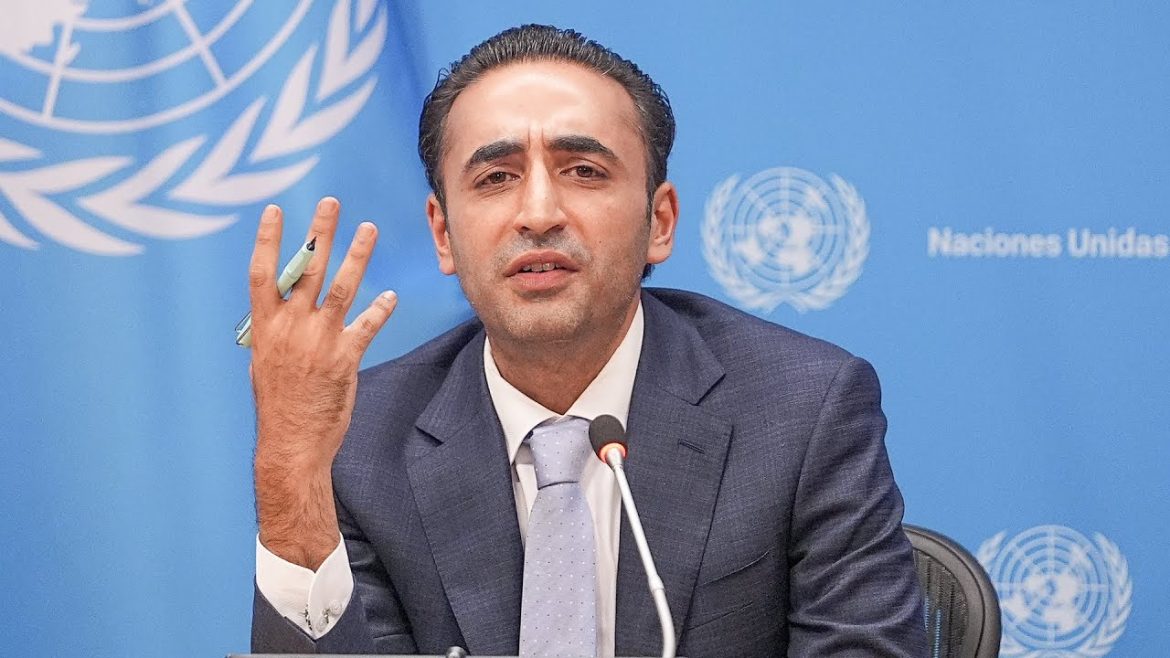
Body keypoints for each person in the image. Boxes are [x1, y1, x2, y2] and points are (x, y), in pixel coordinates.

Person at [248, 24, 926, 657]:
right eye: (496, 178)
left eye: (584, 171)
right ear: (444, 235)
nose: (539, 213)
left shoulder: (801, 411)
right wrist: (291, 475)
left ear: (660, 221)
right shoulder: (363, 437)